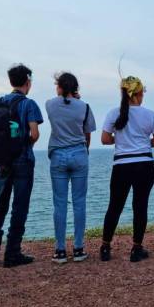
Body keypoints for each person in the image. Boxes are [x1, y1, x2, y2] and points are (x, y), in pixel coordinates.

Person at [0, 64, 43, 267]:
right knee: (20, 206)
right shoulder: (29, 104)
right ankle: (12, 253)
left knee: (0, 204)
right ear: (28, 82)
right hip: (23, 160)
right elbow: (34, 133)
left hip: (3, 161)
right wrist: (25, 145)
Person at [100, 76, 154, 262]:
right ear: (139, 93)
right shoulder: (150, 114)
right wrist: (142, 142)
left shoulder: (113, 113)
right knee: (140, 206)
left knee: (115, 206)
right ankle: (136, 248)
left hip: (121, 165)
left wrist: (120, 140)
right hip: (144, 164)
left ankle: (105, 247)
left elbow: (105, 139)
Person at [45, 72, 96, 263]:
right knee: (79, 202)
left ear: (59, 86)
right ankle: (78, 248)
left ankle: (60, 250)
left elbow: (60, 102)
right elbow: (87, 134)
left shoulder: (50, 104)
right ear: (75, 88)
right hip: (79, 154)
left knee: (59, 204)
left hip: (58, 155)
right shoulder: (84, 107)